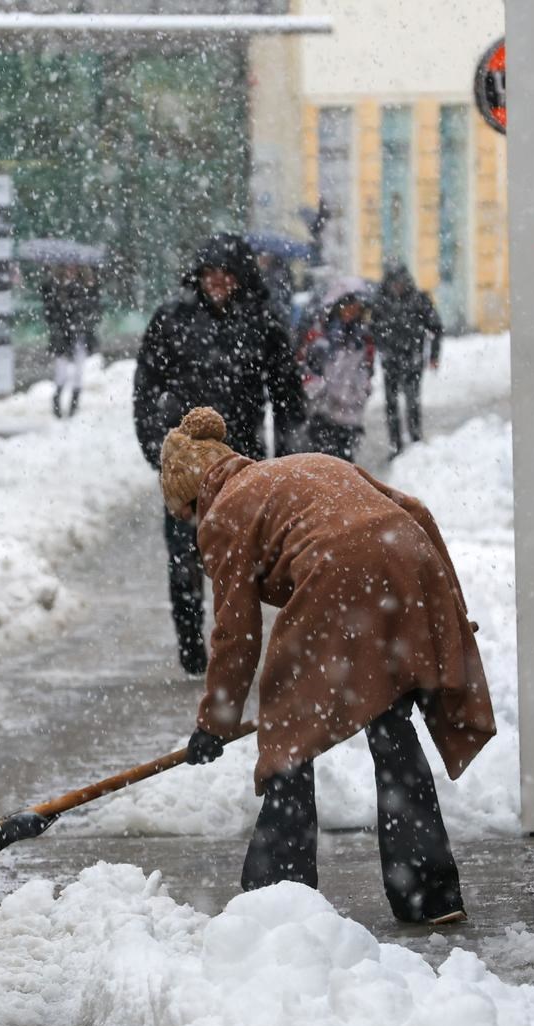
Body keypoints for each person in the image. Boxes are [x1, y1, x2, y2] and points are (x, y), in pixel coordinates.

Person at [161, 407, 494, 924]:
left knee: (289, 731)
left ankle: (278, 893)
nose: (189, 526)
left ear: (192, 494)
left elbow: (236, 635)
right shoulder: (303, 466)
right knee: (389, 718)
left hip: (339, 574)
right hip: (405, 555)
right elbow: (416, 511)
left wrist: (214, 722)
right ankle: (428, 890)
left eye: (183, 515)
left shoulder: (223, 513)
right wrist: (449, 605)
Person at [133, 233, 306, 676]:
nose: (218, 283)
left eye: (226, 275)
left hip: (243, 463)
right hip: (186, 467)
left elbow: (287, 395)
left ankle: (234, 655)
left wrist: (285, 457)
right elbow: (147, 387)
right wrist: (158, 448)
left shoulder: (263, 322)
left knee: (240, 565)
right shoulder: (172, 321)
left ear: (241, 278)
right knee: (182, 558)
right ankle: (190, 647)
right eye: (211, 274)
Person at [371, 262, 443, 458]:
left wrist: (434, 355)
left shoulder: (419, 300)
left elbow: (436, 327)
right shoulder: (381, 302)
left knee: (412, 401)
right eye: (393, 282)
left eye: (400, 282)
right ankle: (395, 444)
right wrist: (381, 347)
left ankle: (415, 439)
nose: (397, 286)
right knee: (391, 402)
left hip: (413, 359)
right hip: (390, 361)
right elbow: (373, 329)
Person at [300, 288, 377, 461]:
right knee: (320, 466)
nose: (351, 312)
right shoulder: (320, 337)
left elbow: (367, 371)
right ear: (337, 307)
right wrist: (320, 390)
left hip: (350, 412)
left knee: (344, 468)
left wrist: (362, 391)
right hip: (323, 411)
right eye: (347, 307)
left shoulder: (364, 338)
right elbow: (308, 372)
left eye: (356, 308)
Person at [38, 264, 101, 419]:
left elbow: (93, 310)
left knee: (79, 370)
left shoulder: (86, 287)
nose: (71, 271)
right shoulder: (55, 288)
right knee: (61, 371)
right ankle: (58, 401)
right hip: (63, 336)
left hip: (80, 335)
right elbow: (50, 310)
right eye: (67, 268)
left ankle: (73, 403)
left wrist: (90, 289)